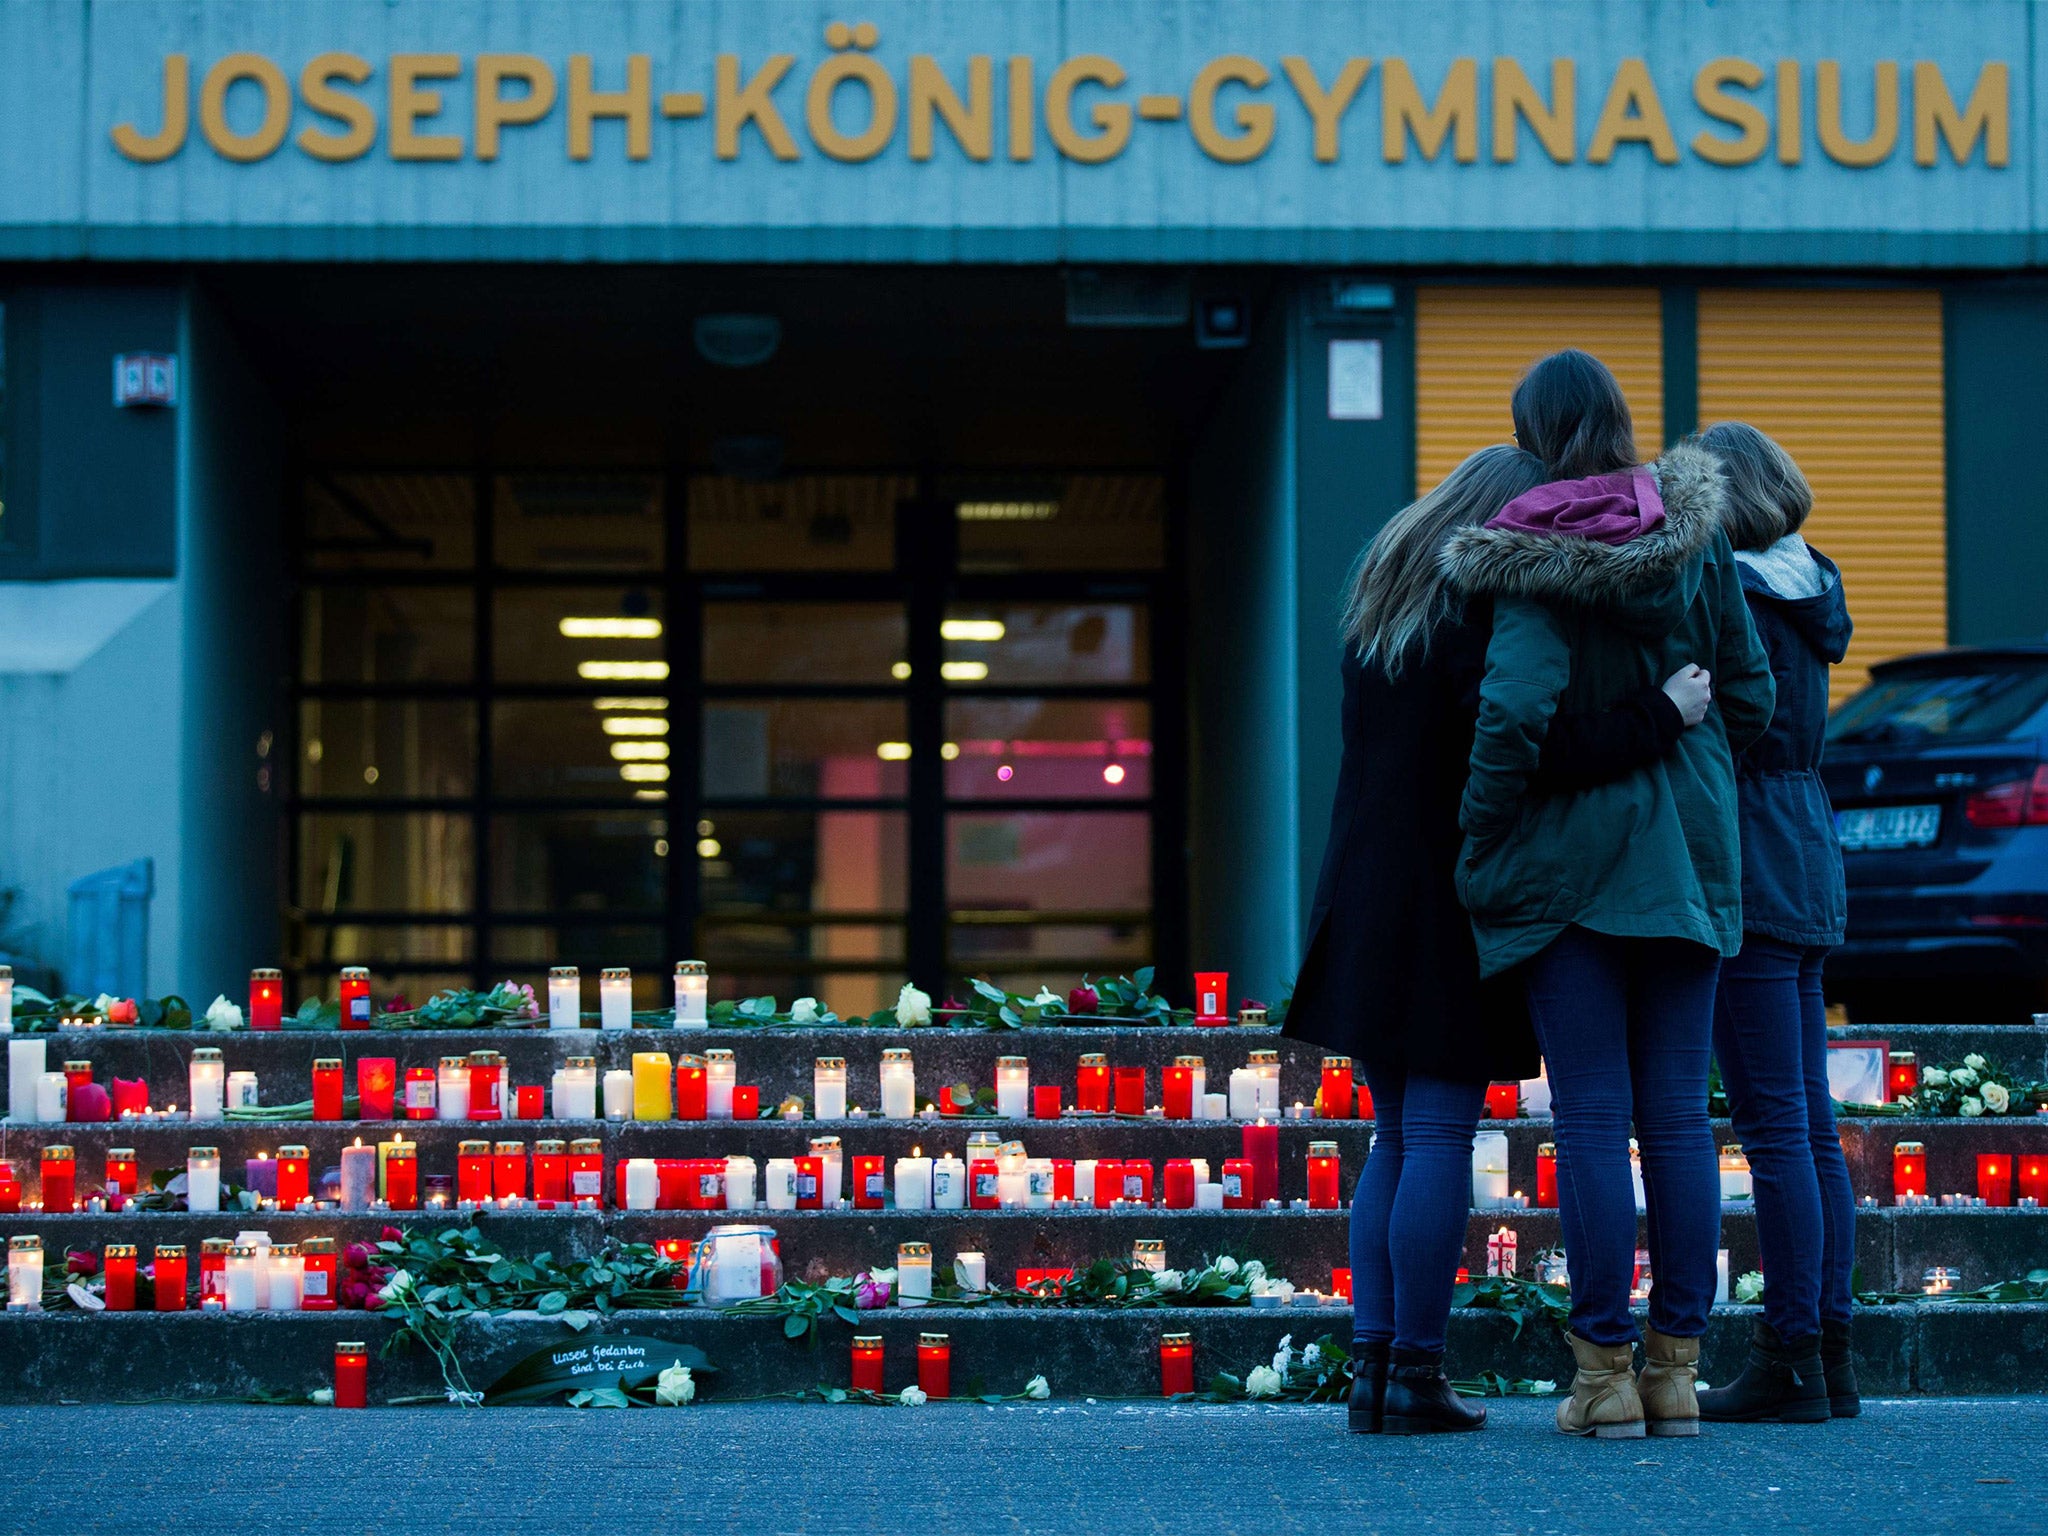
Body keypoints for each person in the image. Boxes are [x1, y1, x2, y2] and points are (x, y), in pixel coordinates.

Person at [1286, 442, 1713, 1437]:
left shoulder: (1385, 594)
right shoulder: (1477, 610)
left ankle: (1373, 1372)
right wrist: (1661, 710)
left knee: (1390, 1137)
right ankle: (1417, 1372)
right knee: (1434, 1132)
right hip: (1442, 898)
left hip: (1355, 893)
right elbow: (1534, 749)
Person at [1445, 350, 1775, 1439]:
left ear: (1530, 435)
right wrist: (1678, 746)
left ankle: (1600, 1380)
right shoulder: (1700, 542)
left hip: (1571, 877)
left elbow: (1510, 715)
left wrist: (1484, 825)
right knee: (1680, 1119)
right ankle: (1676, 1373)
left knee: (1589, 1119)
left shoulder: (1534, 550)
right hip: (1685, 865)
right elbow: (1750, 693)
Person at [1690, 423, 1858, 1424]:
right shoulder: (1812, 588)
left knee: (1773, 1128)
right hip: (1804, 844)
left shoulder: (1734, 595)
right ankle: (1829, 1355)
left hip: (1747, 857)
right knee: (1808, 1127)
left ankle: (1788, 1354)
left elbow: (1726, 732)